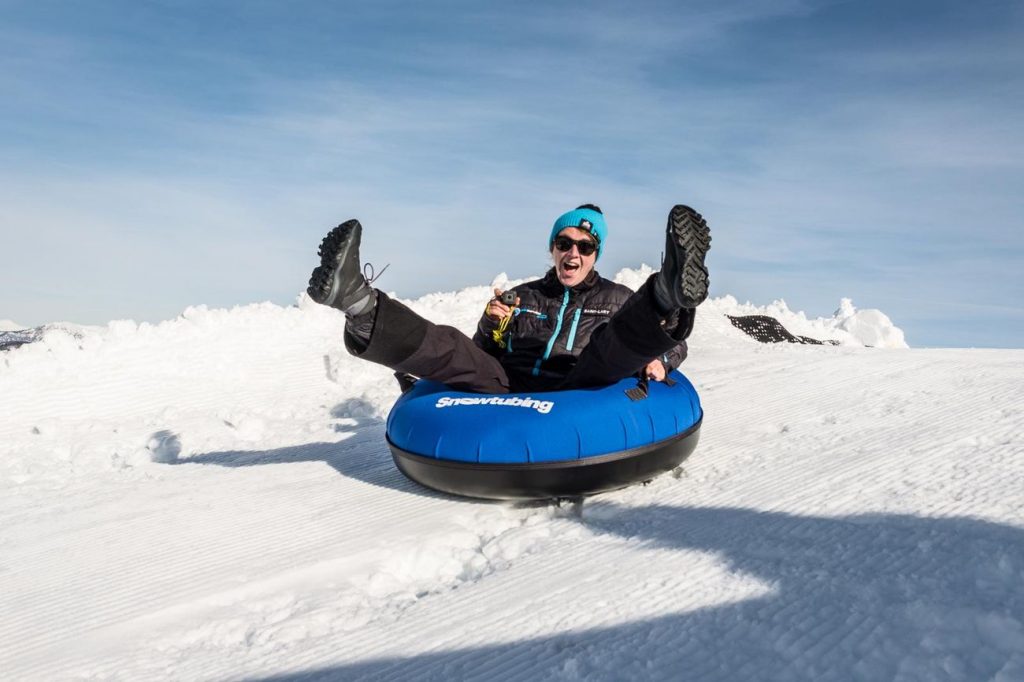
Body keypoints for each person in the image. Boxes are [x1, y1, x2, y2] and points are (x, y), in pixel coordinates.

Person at [306, 204, 711, 394]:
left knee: (609, 348)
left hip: (578, 383)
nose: (574, 253)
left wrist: (663, 359)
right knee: (452, 347)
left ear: (595, 254)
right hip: (511, 386)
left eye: (585, 247)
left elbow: (677, 347)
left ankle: (666, 293)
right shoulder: (523, 295)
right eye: (564, 243)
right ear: (552, 248)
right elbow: (481, 354)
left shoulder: (616, 296)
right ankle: (358, 303)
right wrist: (490, 326)